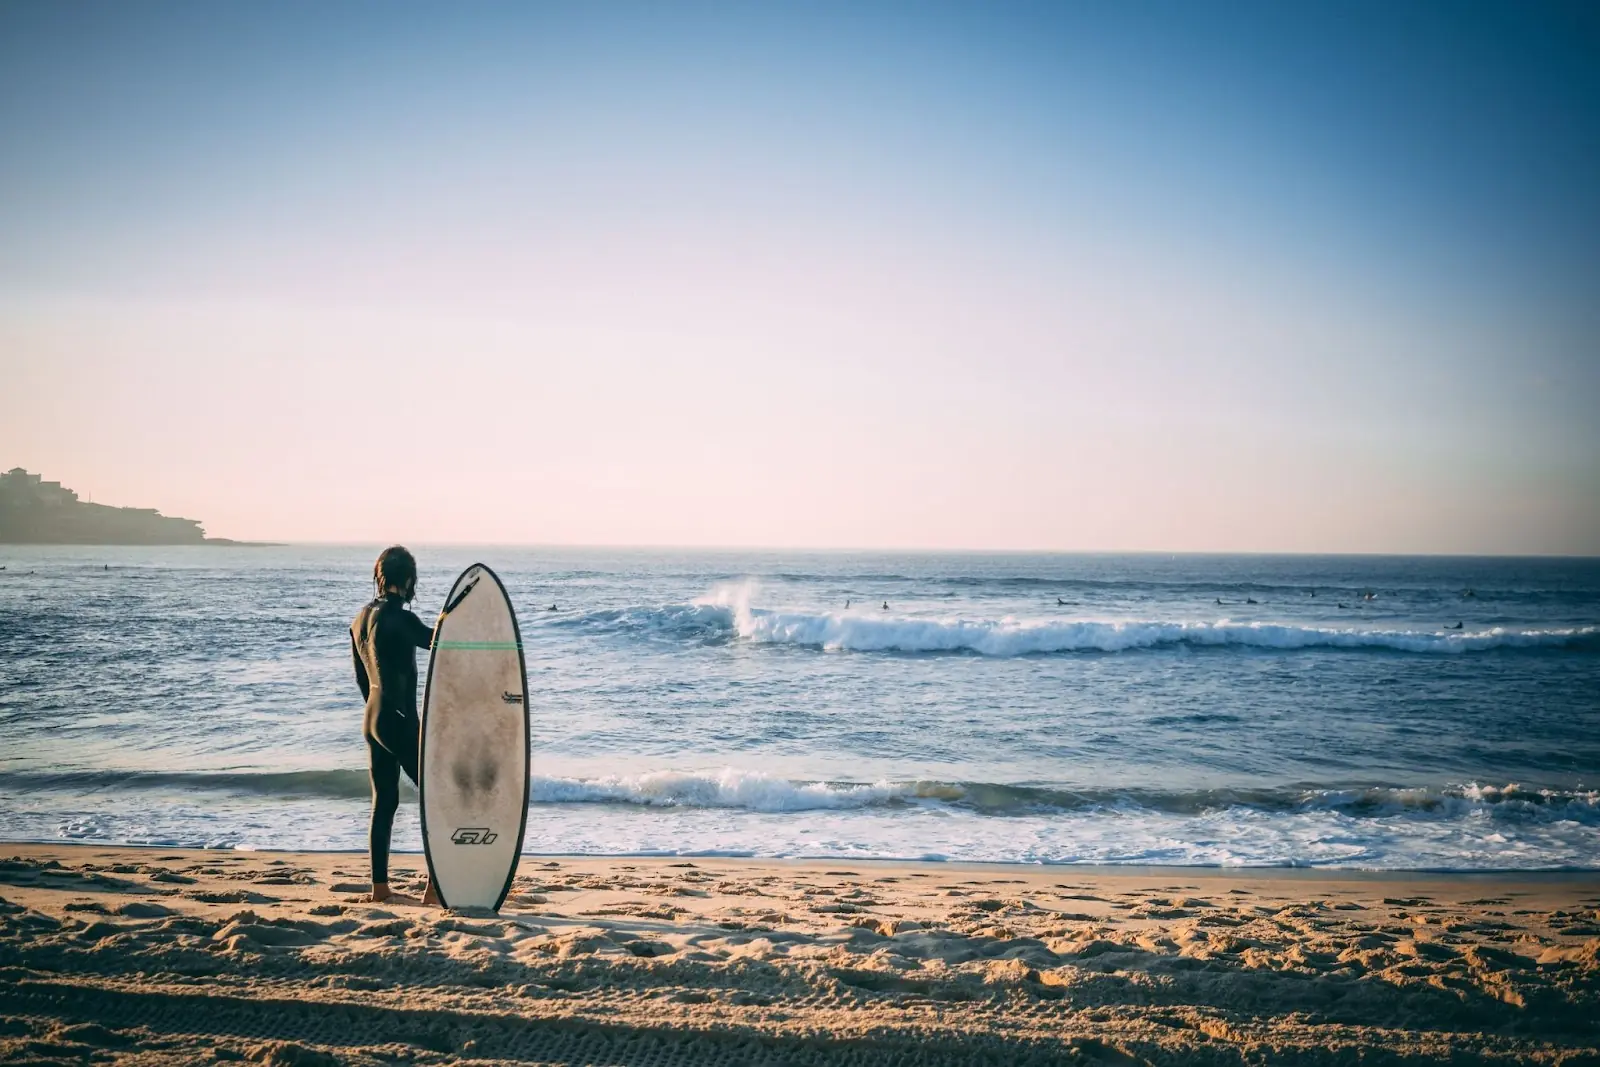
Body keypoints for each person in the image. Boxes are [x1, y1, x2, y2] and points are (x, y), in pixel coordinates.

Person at [351, 545, 439, 906]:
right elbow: (443, 644)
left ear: (380, 576)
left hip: (372, 718)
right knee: (438, 798)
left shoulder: (360, 619)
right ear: (408, 581)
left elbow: (361, 679)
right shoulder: (402, 620)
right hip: (398, 719)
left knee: (384, 801)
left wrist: (382, 716)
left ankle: (380, 889)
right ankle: (435, 889)